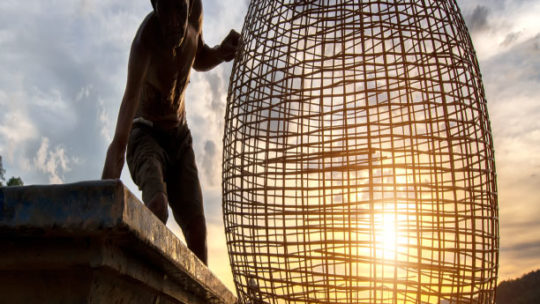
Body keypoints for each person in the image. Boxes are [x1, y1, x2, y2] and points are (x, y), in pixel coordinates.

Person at [101, 0, 240, 265]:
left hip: (180, 137)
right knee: (157, 208)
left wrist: (222, 52)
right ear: (154, 5)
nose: (174, 22)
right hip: (145, 134)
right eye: (165, 10)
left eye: (180, 8)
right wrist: (100, 205)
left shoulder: (195, 12)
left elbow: (197, 55)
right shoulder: (145, 42)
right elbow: (121, 137)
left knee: (197, 230)